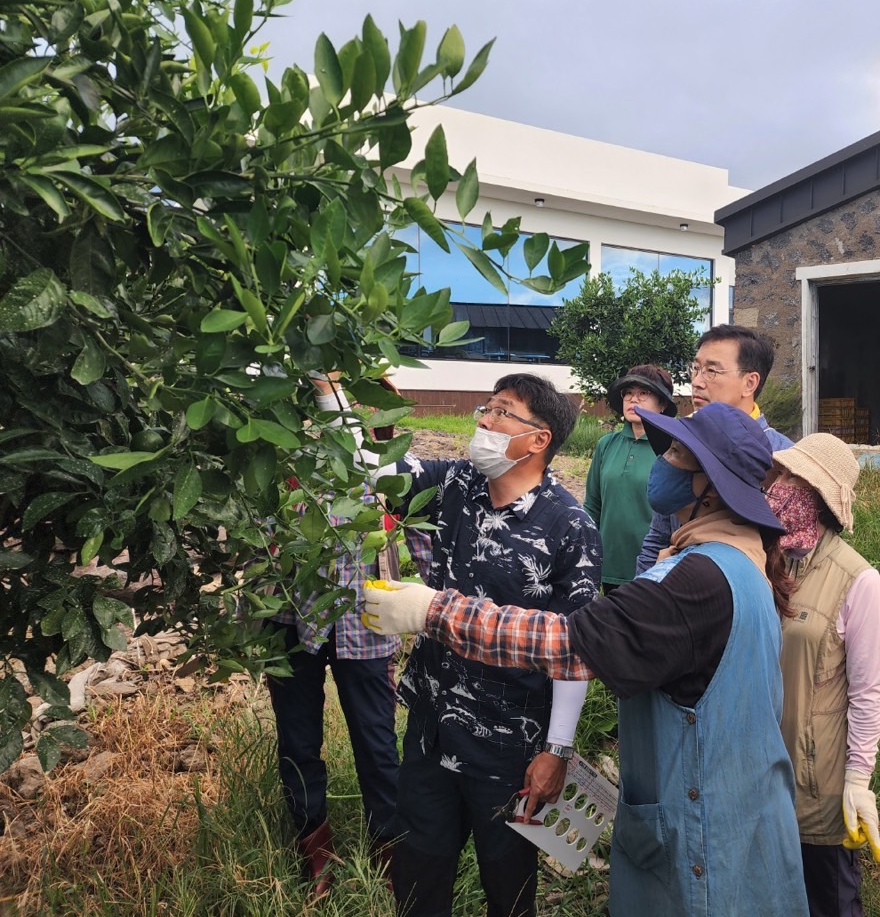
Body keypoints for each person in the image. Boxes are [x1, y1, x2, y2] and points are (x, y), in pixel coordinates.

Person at [361, 402, 809, 917]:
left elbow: (571, 642)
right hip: (740, 812)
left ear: (710, 487)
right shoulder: (740, 561)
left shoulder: (695, 581)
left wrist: (433, 610)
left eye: (679, 453)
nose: (662, 462)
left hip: (704, 834)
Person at [347, 373, 602, 917]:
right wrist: (331, 394)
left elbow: (575, 652)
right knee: (420, 866)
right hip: (431, 724)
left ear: (539, 439)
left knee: (507, 885)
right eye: (484, 409)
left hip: (510, 742)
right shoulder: (455, 484)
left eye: (501, 412)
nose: (483, 421)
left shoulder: (569, 527)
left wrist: (555, 750)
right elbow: (369, 470)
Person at [265, 384, 401, 897]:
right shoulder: (282, 455)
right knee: (298, 740)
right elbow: (254, 534)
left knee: (376, 739)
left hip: (363, 621)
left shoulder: (380, 465)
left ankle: (388, 845)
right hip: (289, 617)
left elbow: (417, 533)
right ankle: (314, 847)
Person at [767, 433, 880, 917]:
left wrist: (859, 777)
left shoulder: (857, 579)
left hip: (820, 775)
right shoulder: (765, 558)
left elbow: (868, 691)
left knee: (829, 899)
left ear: (819, 496)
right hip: (763, 762)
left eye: (794, 479)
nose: (779, 487)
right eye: (778, 474)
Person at [635, 324, 793, 575]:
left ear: (749, 383)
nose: (696, 382)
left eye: (711, 371)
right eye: (695, 368)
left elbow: (791, 561)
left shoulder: (786, 460)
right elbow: (658, 537)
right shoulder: (682, 440)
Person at [585, 364, 677, 593]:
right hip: (608, 564)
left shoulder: (673, 450)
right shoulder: (606, 445)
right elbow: (592, 506)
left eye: (644, 393)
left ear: (663, 404)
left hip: (654, 567)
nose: (633, 399)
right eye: (628, 393)